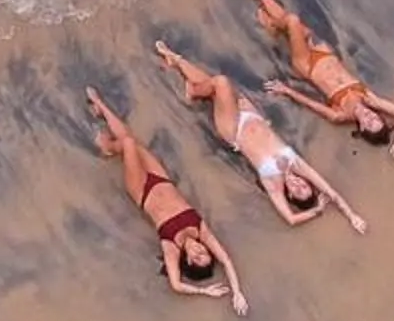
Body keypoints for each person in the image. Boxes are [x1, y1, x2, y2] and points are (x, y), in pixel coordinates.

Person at [152, 40, 367, 231]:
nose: (299, 185)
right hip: (251, 116)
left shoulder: (272, 182)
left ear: (290, 195)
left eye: (297, 192)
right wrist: (352, 215)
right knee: (214, 88)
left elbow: (291, 219)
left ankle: (192, 92)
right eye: (304, 186)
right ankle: (177, 61)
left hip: (233, 129)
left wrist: (317, 211)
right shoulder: (298, 165)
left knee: (221, 83)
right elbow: (332, 192)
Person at [86, 87, 247, 313]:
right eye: (205, 253)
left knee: (128, 145)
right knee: (133, 141)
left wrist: (204, 291)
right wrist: (237, 291)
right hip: (161, 179)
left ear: (189, 260)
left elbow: (176, 284)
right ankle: (100, 106)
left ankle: (108, 147)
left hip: (142, 190)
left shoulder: (171, 247)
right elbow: (227, 261)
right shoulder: (202, 231)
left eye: (197, 257)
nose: (201, 251)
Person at [241, 0, 394, 158]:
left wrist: (286, 90)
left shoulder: (340, 115)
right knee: (291, 24)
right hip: (324, 52)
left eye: (370, 123)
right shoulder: (370, 99)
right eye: (377, 119)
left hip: (306, 65)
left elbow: (311, 104)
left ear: (362, 128)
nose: (372, 117)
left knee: (292, 21)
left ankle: (270, 24)